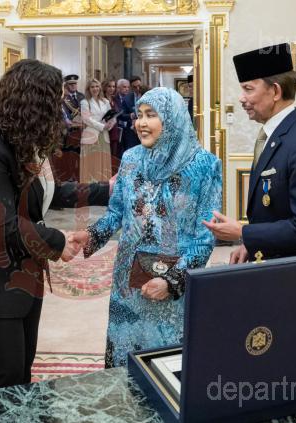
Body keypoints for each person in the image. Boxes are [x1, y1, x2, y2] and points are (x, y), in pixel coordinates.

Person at [0, 59, 109, 393]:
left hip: (22, 276)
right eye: (54, 100)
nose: (60, 109)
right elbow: (0, 223)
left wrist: (107, 189)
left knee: (20, 372)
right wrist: (58, 241)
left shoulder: (23, 141)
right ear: (32, 101)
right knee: (1, 379)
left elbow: (48, 193)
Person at [72, 87, 222, 368]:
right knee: (126, 366)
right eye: (139, 115)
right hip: (128, 284)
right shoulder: (131, 159)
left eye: (151, 115)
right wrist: (92, 234)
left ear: (172, 117)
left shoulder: (205, 166)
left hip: (173, 286)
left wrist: (172, 281)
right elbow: (116, 213)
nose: (141, 123)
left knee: (167, 367)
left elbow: (205, 237)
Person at [202, 43, 296, 304]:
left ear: (276, 91)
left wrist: (243, 232)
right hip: (280, 272)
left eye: (248, 89)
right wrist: (252, 244)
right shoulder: (278, 134)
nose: (241, 98)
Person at [79, 79, 114, 184]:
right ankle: (90, 186)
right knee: (92, 162)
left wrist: (110, 125)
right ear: (88, 89)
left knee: (103, 161)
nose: (95, 89)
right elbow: (86, 119)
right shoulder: (85, 102)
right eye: (92, 87)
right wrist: (102, 126)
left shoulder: (105, 101)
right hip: (91, 136)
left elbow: (112, 116)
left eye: (97, 86)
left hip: (104, 136)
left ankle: (103, 186)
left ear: (100, 88)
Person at [119, 76, 142, 155]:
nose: (138, 89)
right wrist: (130, 116)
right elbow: (121, 115)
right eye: (135, 87)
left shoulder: (148, 96)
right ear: (131, 88)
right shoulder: (127, 99)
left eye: (139, 86)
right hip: (132, 132)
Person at [103, 77, 121, 174]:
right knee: (106, 154)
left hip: (114, 130)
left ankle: (112, 173)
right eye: (109, 86)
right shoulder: (102, 100)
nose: (112, 89)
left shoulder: (115, 99)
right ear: (105, 87)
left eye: (113, 86)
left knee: (114, 153)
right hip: (105, 129)